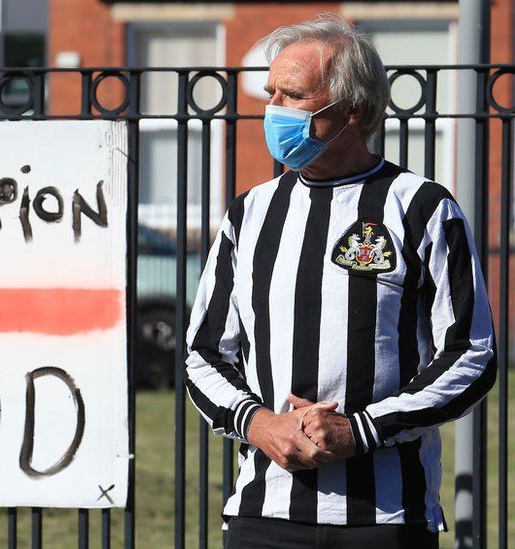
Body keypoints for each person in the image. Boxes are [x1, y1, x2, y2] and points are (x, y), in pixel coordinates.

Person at [184, 14, 496, 549]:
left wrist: (361, 431)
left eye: (294, 96)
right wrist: (258, 423)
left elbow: (472, 353)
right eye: (271, 93)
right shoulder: (250, 213)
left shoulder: (421, 207)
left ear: (353, 109)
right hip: (265, 514)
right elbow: (204, 353)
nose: (274, 110)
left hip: (387, 516)